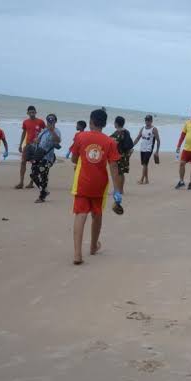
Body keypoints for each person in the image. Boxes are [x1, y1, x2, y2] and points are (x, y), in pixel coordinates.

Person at [69, 109, 123, 265]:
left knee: (81, 214)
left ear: (91, 121)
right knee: (97, 214)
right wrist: (117, 191)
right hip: (100, 184)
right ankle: (93, 246)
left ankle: (77, 254)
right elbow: (114, 167)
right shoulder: (110, 142)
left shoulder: (80, 136)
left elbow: (74, 158)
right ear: (105, 124)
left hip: (82, 183)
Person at [30, 114, 61, 203]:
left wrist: (52, 131)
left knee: (40, 174)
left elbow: (58, 140)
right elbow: (38, 142)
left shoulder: (56, 131)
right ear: (46, 121)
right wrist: (36, 140)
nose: (50, 122)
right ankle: (44, 191)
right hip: (38, 155)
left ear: (55, 121)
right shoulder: (43, 131)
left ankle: (42, 195)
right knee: (34, 175)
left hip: (48, 157)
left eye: (52, 120)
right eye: (49, 120)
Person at [16, 106, 46, 189]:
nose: (32, 114)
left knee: (34, 164)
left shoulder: (40, 122)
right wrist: (20, 145)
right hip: (28, 145)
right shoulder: (25, 122)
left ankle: (31, 183)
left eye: (33, 112)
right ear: (28, 113)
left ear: (36, 112)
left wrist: (42, 142)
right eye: (30, 112)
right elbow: (24, 133)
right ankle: (21, 182)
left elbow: (46, 132)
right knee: (23, 162)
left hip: (37, 146)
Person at [134, 114, 160, 185]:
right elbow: (138, 138)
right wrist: (132, 145)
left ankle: (141, 180)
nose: (147, 121)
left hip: (149, 149)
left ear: (151, 121)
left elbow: (158, 140)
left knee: (145, 163)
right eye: (146, 120)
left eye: (148, 120)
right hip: (142, 148)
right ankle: (147, 180)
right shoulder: (142, 128)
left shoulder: (154, 129)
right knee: (144, 164)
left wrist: (157, 151)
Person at [110, 116, 134, 194]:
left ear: (116, 123)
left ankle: (118, 190)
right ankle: (121, 190)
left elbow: (112, 142)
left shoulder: (118, 133)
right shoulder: (126, 131)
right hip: (126, 155)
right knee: (121, 173)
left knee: (118, 173)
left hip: (119, 155)